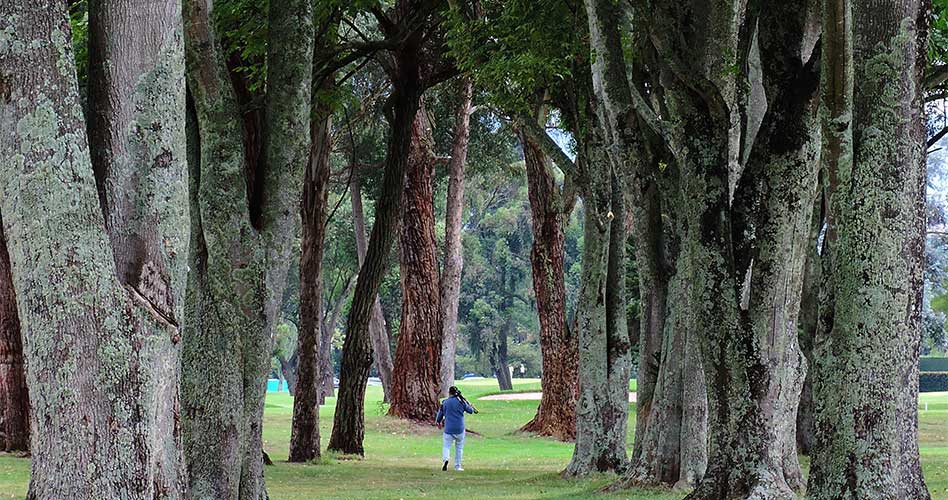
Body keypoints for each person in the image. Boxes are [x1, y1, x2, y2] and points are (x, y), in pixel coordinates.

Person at [435, 386, 475, 471]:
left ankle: (446, 459)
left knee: (446, 446)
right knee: (459, 447)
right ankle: (457, 466)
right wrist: (470, 406)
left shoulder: (445, 402)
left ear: (449, 393)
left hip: (448, 429)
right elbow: (470, 411)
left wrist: (438, 421)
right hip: (459, 429)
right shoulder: (461, 402)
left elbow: (440, 414)